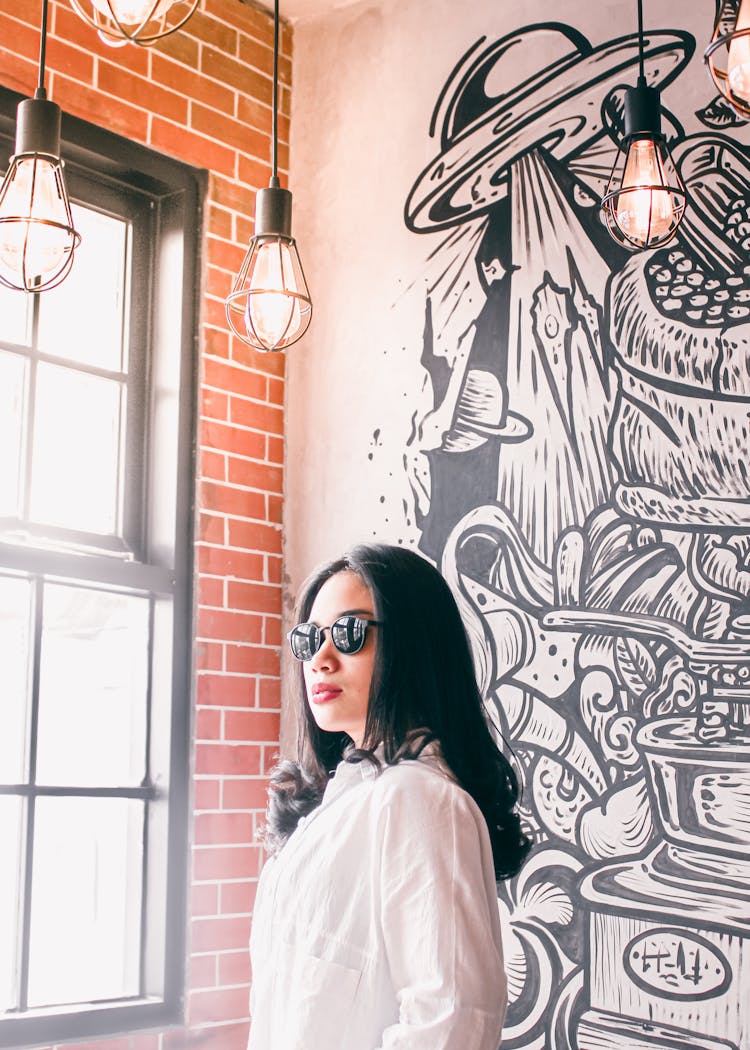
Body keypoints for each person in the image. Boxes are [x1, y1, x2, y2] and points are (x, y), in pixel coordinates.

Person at [248, 543, 530, 1050]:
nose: (321, 659)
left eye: (350, 634)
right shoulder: (343, 800)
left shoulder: (418, 800)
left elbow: (452, 1019)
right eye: (309, 640)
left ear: (413, 644)